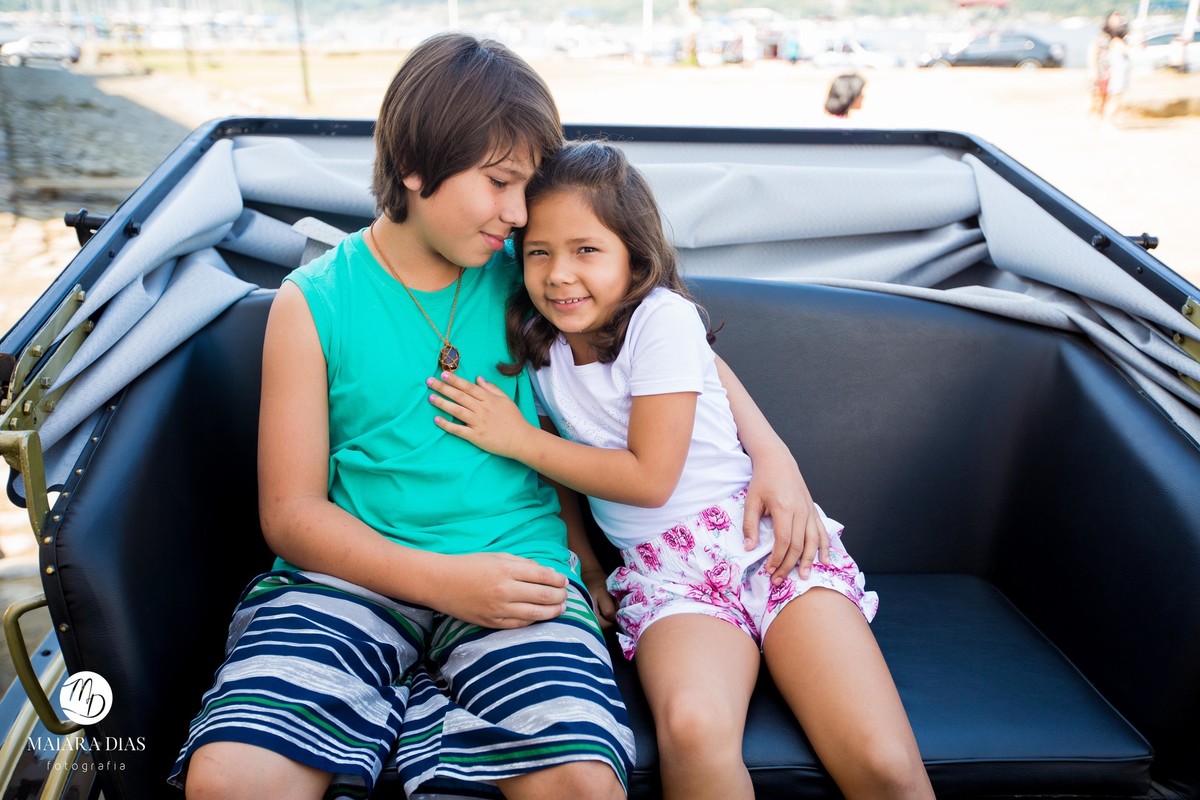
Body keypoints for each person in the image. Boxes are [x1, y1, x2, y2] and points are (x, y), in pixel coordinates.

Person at [171, 32, 829, 800]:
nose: (519, 213)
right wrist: (443, 583)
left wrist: (775, 457)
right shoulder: (313, 302)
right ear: (415, 168)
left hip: (521, 577)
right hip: (346, 580)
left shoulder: (533, 272)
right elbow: (289, 514)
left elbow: (681, 352)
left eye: (526, 188)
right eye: (499, 183)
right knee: (230, 780)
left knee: (582, 784)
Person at [426, 140, 935, 800]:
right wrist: (584, 560)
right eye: (538, 252)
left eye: (587, 250)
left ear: (634, 257)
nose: (558, 274)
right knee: (693, 729)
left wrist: (516, 439)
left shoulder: (659, 319)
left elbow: (649, 477)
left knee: (882, 761)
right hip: (666, 575)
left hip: (764, 541)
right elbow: (564, 472)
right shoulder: (539, 344)